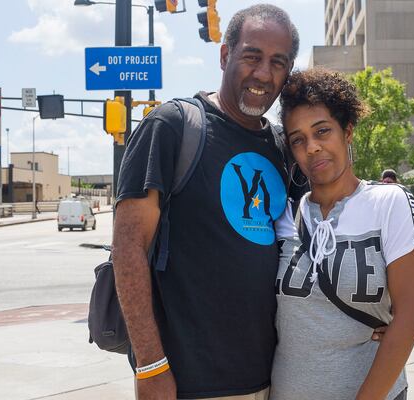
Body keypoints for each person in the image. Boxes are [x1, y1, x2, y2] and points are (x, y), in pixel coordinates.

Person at [112, 5, 300, 400]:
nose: (264, 73)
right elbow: (127, 250)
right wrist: (150, 365)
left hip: (275, 380)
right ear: (225, 54)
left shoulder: (284, 147)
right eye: (252, 56)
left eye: (277, 63)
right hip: (189, 384)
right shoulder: (173, 126)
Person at [271, 67, 414, 400]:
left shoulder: (390, 204)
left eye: (322, 131)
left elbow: (409, 319)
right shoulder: (284, 216)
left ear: (347, 131)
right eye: (298, 140)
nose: (312, 147)